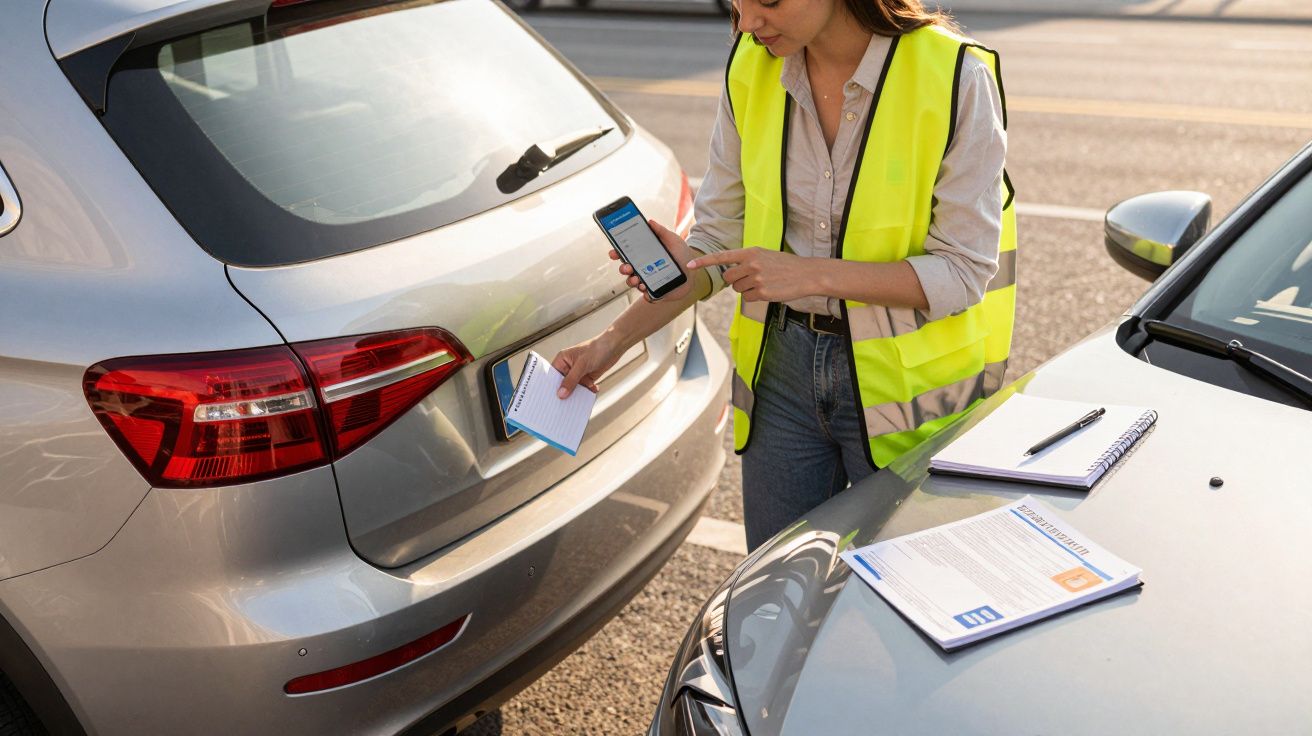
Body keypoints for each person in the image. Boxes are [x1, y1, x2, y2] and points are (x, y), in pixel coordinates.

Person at [553, 0, 1017, 550]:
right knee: (774, 595)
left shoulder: (954, 75)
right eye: (736, 1)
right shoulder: (752, 65)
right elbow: (720, 240)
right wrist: (616, 336)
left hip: (910, 391)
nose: (747, 22)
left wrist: (809, 275)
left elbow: (963, 271)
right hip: (782, 380)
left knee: (895, 604)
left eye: (769, 1)